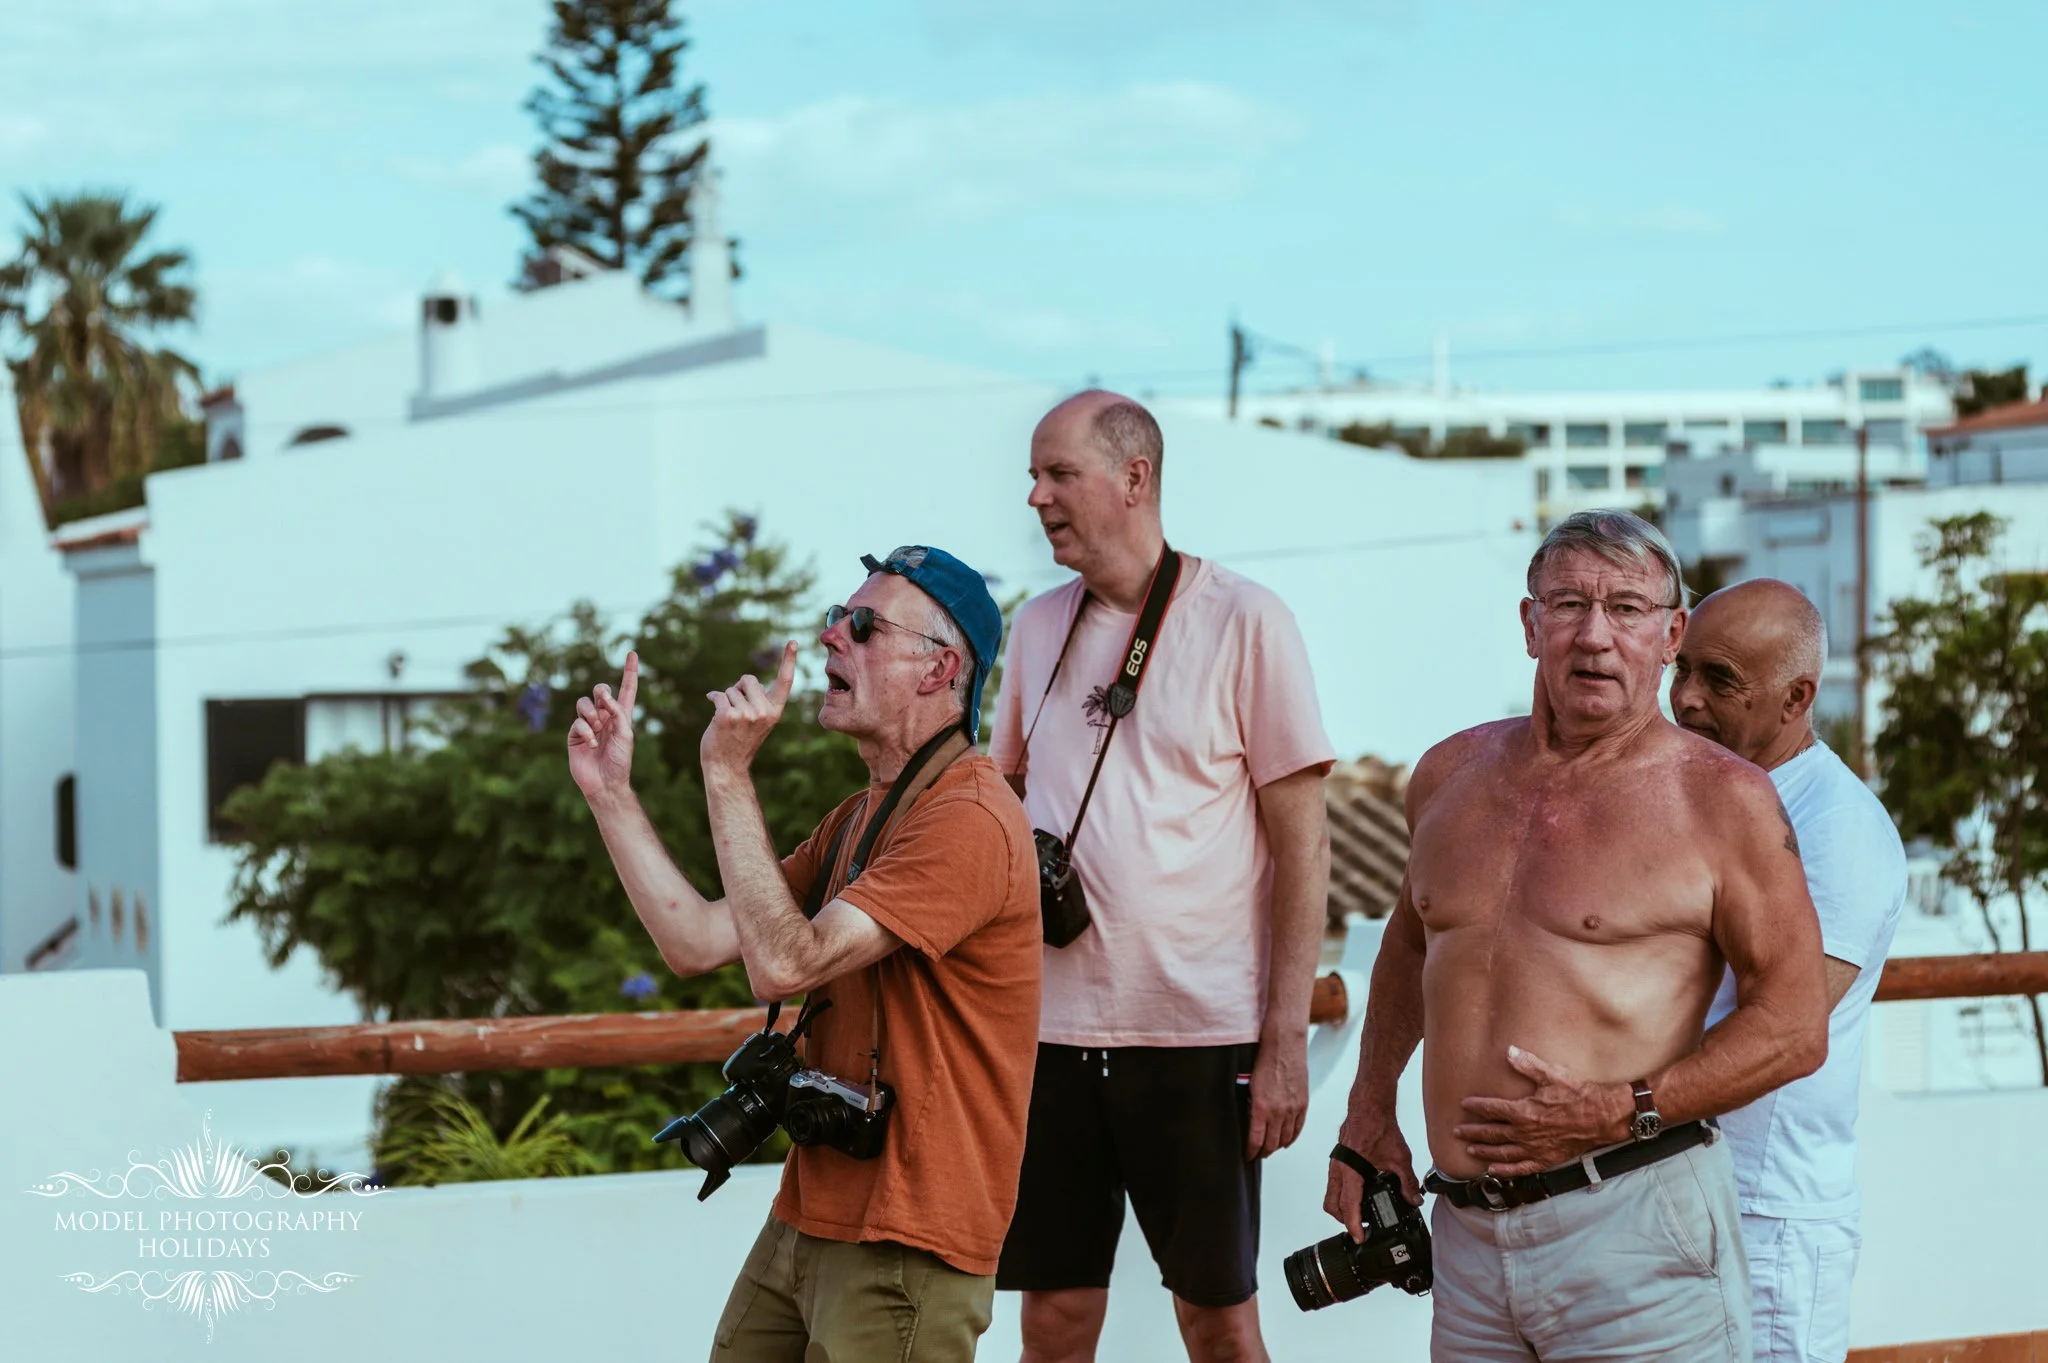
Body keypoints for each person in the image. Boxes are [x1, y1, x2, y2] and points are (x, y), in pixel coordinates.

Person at [1326, 509, 1832, 1362]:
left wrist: (1620, 1109)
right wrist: (1368, 1111)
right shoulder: (1450, 773)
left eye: (1628, 609)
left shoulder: (1724, 800)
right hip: (1468, 1240)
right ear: (1530, 625)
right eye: (1568, 604)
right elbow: (1414, 945)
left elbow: (1794, 1023)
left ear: (1670, 634)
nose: (1595, 636)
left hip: (1635, 1230)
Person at [567, 545, 1042, 1363]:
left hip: (907, 1242)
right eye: (835, 617)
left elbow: (784, 966)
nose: (831, 638)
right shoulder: (858, 816)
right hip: (811, 1213)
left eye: (861, 625)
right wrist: (611, 794)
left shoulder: (969, 819)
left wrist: (726, 772)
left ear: (939, 669)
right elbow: (697, 939)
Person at [989, 390, 1335, 1363]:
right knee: (1051, 1324)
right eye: (1032, 475)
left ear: (1133, 478)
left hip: (1198, 1034)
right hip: (1050, 1037)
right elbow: (1001, 805)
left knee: (1218, 1323)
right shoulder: (1033, 626)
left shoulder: (1245, 619)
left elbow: (1302, 847)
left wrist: (1283, 1044)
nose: (1035, 496)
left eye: (1058, 473)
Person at [1671, 578, 1908, 1363]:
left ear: (1796, 696)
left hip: (1768, 1221)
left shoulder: (1838, 829)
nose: (1685, 698)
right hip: (1674, 1201)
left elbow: (1783, 1029)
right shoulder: (1700, 793)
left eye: (1719, 680)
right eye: (1683, 669)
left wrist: (1608, 1108)